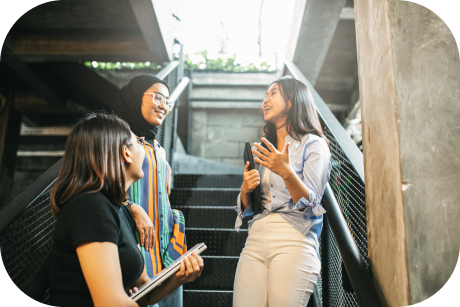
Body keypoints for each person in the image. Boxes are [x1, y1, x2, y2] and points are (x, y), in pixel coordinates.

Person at [48, 113, 203, 307]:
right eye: (138, 141)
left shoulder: (118, 209)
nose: (143, 145)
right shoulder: (91, 207)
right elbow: (111, 303)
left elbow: (143, 293)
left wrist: (177, 279)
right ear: (126, 153)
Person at [233, 76, 332, 307]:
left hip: (294, 239)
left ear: (291, 101)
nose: (265, 100)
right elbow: (249, 208)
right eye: (265, 95)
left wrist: (286, 171)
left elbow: (311, 204)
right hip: (255, 239)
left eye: (273, 93)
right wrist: (245, 189)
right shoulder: (264, 148)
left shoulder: (314, 144)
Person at [112, 75, 186, 307]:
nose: (164, 105)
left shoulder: (159, 150)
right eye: (157, 97)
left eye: (167, 101)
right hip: (133, 249)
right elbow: (100, 188)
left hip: (166, 252)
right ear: (135, 98)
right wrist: (133, 207)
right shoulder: (117, 140)